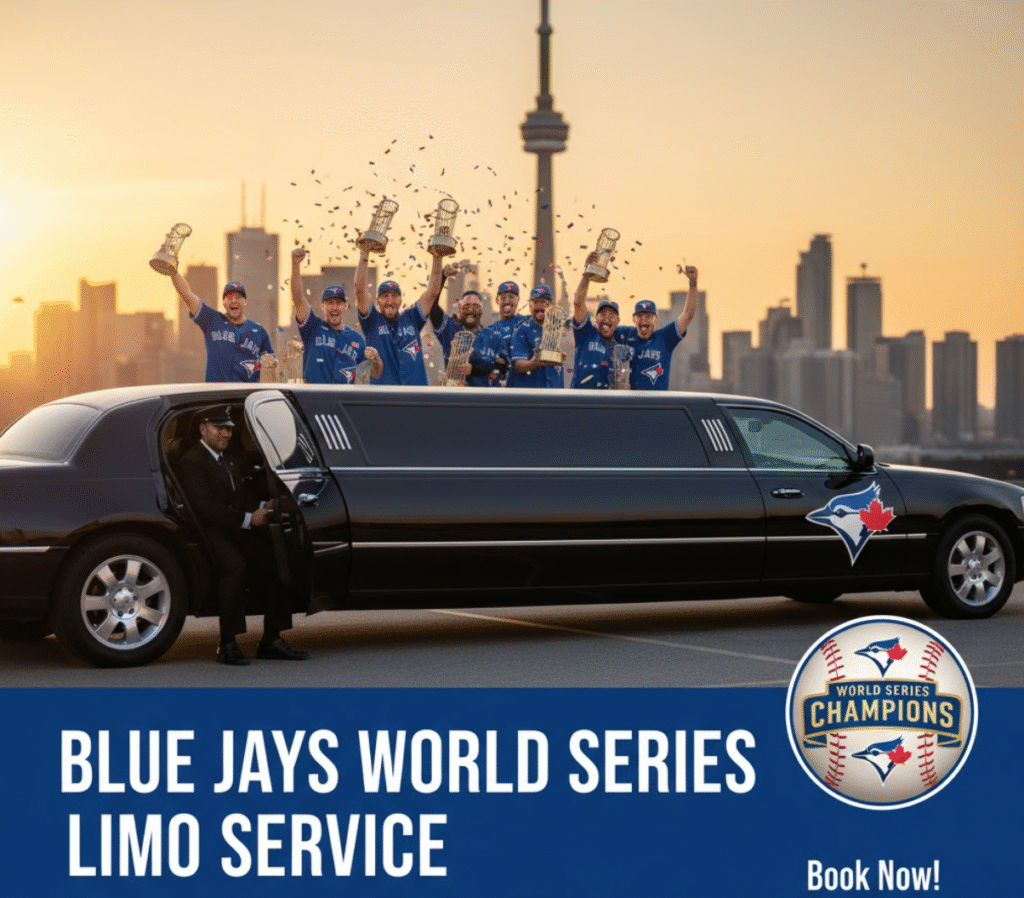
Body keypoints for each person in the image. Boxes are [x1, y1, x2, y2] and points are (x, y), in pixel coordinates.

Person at [175, 405, 308, 665]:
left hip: (235, 530)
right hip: (209, 533)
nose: (225, 434)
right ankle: (227, 644)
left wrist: (261, 507)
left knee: (276, 563)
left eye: (228, 429)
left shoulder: (230, 460)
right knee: (234, 567)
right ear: (203, 429)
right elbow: (204, 508)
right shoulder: (191, 462)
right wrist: (248, 519)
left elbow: (238, 499)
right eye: (219, 428)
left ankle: (272, 640)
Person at [353, 244, 448, 385]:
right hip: (383, 395)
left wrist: (437, 257)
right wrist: (365, 253)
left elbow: (433, 291)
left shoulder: (412, 317)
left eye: (394, 295)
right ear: (378, 300)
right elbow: (360, 291)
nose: (390, 300)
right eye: (385, 296)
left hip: (415, 394)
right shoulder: (372, 320)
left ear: (400, 300)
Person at [289, 247, 382, 383]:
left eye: (338, 303)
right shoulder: (312, 327)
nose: (334, 307)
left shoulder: (356, 339)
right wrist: (295, 265)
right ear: (322, 306)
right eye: (330, 303)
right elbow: (298, 298)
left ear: (345, 306)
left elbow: (375, 373)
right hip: (313, 395)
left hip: (342, 395)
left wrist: (376, 359)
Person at [171, 272, 274, 383]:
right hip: (217, 391)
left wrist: (269, 364)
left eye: (238, 297)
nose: (234, 300)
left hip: (247, 392)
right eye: (229, 298)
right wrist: (173, 271)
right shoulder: (212, 320)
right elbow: (187, 295)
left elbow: (271, 365)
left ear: (245, 302)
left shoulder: (259, 331)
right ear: (224, 303)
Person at [620, 265, 700, 390]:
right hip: (631, 400)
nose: (643, 320)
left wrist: (693, 282)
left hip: (658, 400)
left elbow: (688, 315)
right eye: (639, 317)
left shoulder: (664, 338)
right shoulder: (626, 333)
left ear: (656, 319)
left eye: (648, 317)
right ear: (633, 319)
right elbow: (601, 330)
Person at [570, 253, 629, 389]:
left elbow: (624, 384)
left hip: (607, 401)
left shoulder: (621, 349)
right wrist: (587, 274)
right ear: (596, 319)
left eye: (611, 315)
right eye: (602, 314)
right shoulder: (586, 334)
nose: (607, 318)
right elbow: (578, 302)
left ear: (618, 321)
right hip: (579, 400)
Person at [431, 289, 505, 386]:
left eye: (475, 306)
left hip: (483, 394)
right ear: (460, 310)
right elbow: (432, 307)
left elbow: (502, 370)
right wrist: (441, 280)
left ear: (481, 310)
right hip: (454, 392)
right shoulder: (450, 329)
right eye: (466, 306)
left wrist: (474, 370)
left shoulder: (494, 337)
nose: (470, 309)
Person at [507, 284, 565, 389]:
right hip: (530, 394)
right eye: (536, 302)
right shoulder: (521, 331)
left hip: (553, 393)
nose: (539, 306)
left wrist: (559, 358)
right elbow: (518, 365)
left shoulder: (555, 329)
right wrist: (533, 363)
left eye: (543, 302)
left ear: (550, 306)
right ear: (530, 306)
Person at [483, 280, 529, 385]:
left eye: (511, 297)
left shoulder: (527, 323)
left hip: (522, 387)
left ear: (518, 300)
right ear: (497, 300)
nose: (507, 301)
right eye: (503, 298)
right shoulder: (490, 331)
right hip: (498, 390)